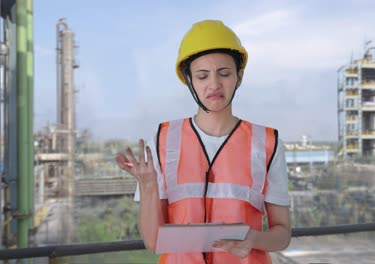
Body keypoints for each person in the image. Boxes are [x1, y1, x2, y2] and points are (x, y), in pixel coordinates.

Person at [115, 19, 290, 263]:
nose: (214, 85)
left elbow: (282, 234)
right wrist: (147, 186)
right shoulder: (164, 140)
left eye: (224, 74)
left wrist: (253, 239)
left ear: (239, 77)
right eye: (202, 76)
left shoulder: (267, 143)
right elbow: (153, 242)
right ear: (190, 81)